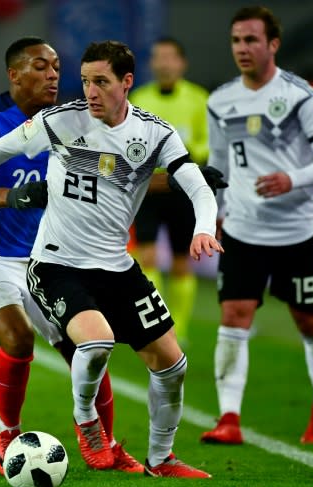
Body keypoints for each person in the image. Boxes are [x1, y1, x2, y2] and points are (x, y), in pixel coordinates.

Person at [0, 40, 223, 478]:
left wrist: (202, 226)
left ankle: (162, 459)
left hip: (116, 267)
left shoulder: (154, 133)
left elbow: (194, 185)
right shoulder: (60, 121)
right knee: (94, 341)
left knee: (172, 365)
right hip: (56, 263)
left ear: (126, 83)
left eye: (100, 81)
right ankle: (88, 428)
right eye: (84, 81)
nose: (89, 91)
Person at [0, 36, 144, 475]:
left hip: (46, 259)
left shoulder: (70, 122)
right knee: (17, 337)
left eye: (55, 67)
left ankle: (103, 445)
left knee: (90, 344)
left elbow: (116, 175)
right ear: (13, 75)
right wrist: (15, 196)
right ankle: (7, 433)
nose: (53, 75)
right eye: (39, 66)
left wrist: (182, 180)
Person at [199, 6, 313, 446]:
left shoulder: (302, 96)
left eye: (251, 40)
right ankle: (229, 418)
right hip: (243, 230)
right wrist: (215, 215)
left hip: (296, 231)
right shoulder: (220, 100)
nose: (242, 49)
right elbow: (219, 165)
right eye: (236, 41)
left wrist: (291, 179)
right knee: (233, 316)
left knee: (308, 319)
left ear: (273, 44)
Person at [129, 37, 210, 344]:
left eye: (169, 57)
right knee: (147, 257)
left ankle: (182, 330)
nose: (163, 63)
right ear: (151, 63)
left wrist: (191, 152)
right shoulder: (139, 98)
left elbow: (208, 142)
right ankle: (158, 326)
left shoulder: (198, 99)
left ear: (181, 63)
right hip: (149, 188)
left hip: (183, 188)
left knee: (180, 261)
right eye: (158, 57)